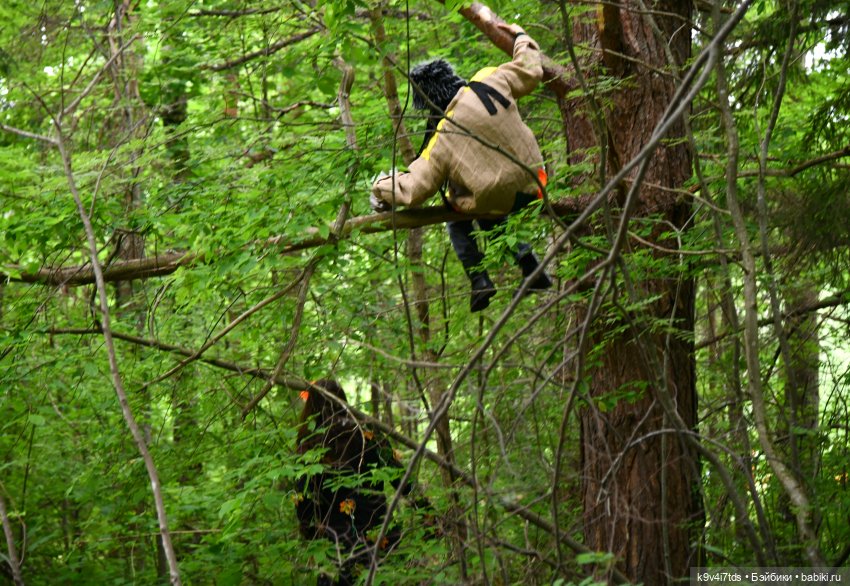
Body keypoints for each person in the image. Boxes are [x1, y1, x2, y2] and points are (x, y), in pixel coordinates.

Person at [370, 22, 553, 312]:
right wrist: (520, 36)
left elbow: (415, 188)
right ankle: (529, 264)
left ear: (426, 103)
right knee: (488, 207)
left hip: (500, 199)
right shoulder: (489, 80)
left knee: (460, 214)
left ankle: (479, 280)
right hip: (537, 182)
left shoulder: (441, 138)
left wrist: (380, 188)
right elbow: (530, 68)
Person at [294, 379, 408, 585]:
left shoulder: (308, 445)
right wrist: (430, 516)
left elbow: (302, 505)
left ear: (311, 408)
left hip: (337, 546)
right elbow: (402, 480)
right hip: (378, 537)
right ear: (343, 400)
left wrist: (314, 538)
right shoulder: (367, 433)